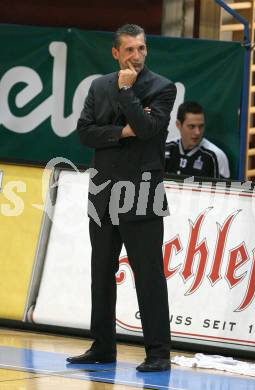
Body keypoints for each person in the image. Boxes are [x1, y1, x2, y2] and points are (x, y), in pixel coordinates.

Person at [66, 24, 176, 372]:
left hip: (142, 191)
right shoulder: (98, 86)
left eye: (141, 49)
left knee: (148, 275)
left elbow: (147, 130)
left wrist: (127, 94)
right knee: (101, 271)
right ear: (115, 52)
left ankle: (158, 353)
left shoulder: (162, 88)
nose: (136, 56)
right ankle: (102, 346)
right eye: (129, 50)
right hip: (103, 189)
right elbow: (85, 133)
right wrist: (121, 131)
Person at [165, 101, 230, 178]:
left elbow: (221, 189)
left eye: (201, 126)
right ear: (178, 125)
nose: (197, 132)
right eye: (192, 126)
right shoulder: (165, 148)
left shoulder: (216, 156)